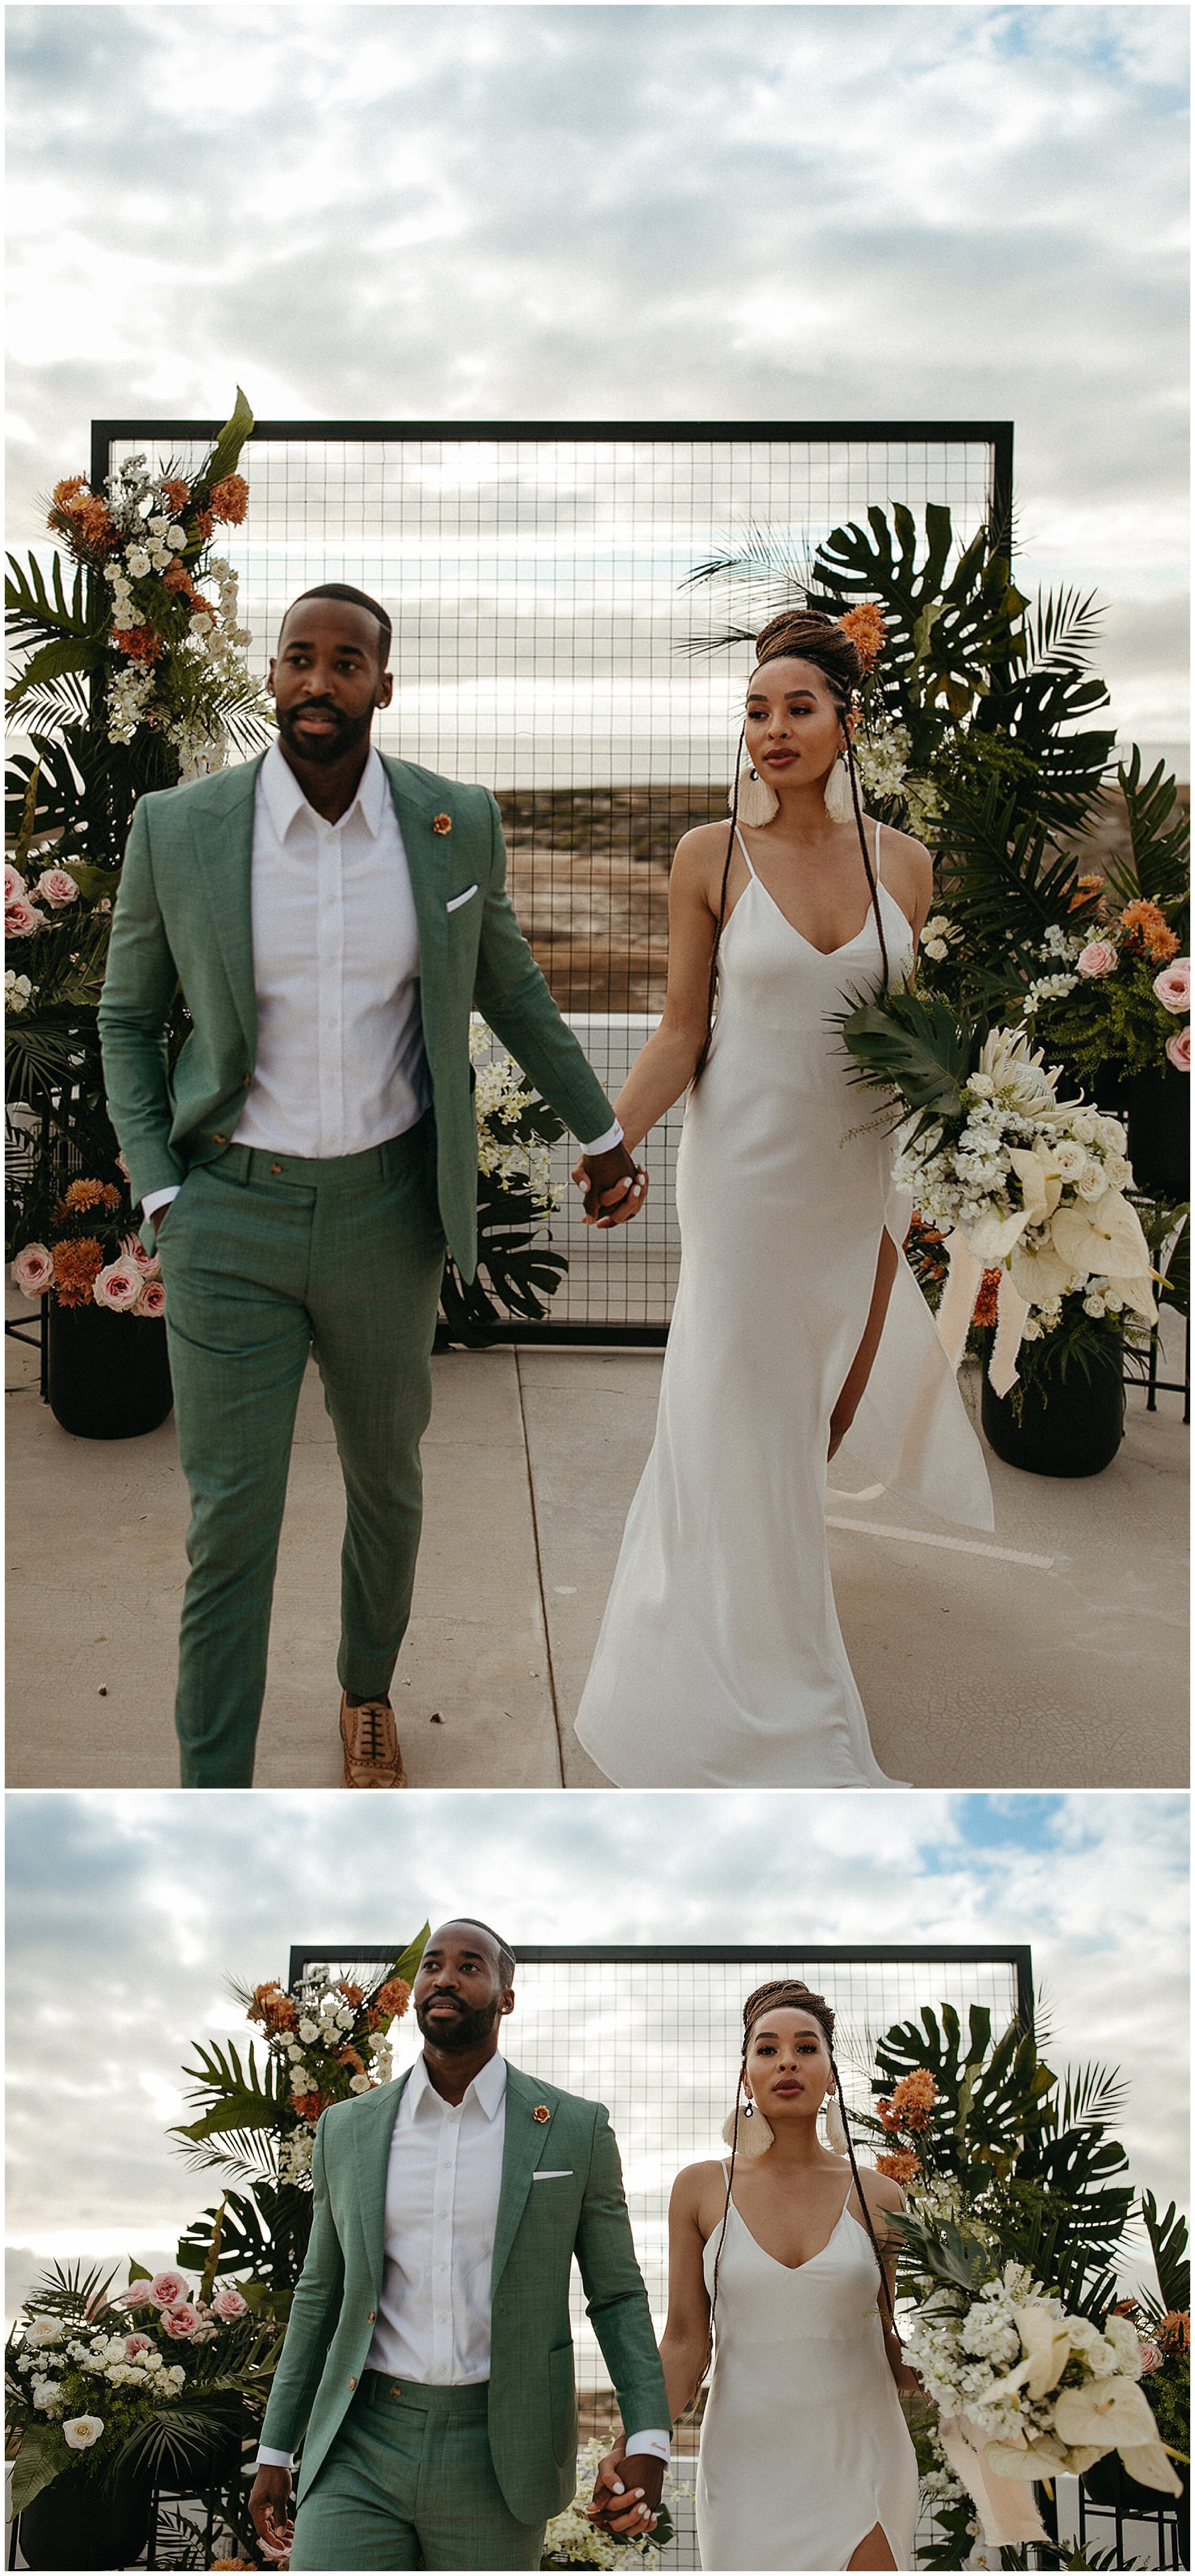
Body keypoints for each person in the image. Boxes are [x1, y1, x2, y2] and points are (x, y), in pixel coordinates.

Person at [98, 586, 648, 1789]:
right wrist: (160, 1192)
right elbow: (128, 1019)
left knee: (387, 1484)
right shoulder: (182, 828)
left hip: (387, 1218)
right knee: (228, 1526)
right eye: (297, 658)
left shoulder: (452, 823)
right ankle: (213, 1792)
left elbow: (513, 989)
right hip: (226, 1215)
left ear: (382, 689)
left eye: (345, 663)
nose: (317, 680)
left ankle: (366, 1689)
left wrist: (603, 1133)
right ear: (274, 677)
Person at [574, 608, 991, 1789]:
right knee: (739, 1419)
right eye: (755, 710)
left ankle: (753, 1615)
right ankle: (751, 1684)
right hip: (745, 1185)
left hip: (857, 1182)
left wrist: (971, 1143)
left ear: (848, 723)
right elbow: (680, 1029)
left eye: (797, 707)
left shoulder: (903, 864)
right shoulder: (707, 856)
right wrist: (610, 1139)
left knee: (815, 1417)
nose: (771, 730)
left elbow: (914, 1038)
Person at [249, 1918, 671, 2570]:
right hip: (360, 2439)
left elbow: (616, 2294)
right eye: (433, 1964)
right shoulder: (348, 2128)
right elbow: (318, 2293)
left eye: (470, 1964)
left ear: (506, 1994)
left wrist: (648, 2434)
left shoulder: (574, 2129)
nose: (445, 1975)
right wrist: (275, 2448)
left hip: (498, 2449)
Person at [589, 1978, 920, 2571]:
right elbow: (688, 2345)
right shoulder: (700, 2189)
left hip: (865, 2459)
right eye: (766, 2049)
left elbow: (888, 2342)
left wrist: (1001, 2375)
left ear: (831, 2073)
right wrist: (633, 2443)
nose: (786, 2060)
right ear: (746, 2075)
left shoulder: (881, 2196)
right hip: (745, 2470)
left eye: (806, 2047)